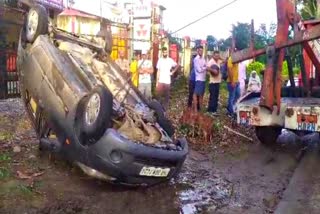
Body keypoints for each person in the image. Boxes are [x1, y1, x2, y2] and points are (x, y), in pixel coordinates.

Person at [206, 50, 222, 115]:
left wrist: (221, 58)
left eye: (218, 56)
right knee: (212, 96)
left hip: (218, 82)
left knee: (216, 96)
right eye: (216, 56)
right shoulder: (211, 61)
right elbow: (207, 67)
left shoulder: (218, 61)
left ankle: (214, 110)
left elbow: (224, 61)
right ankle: (211, 111)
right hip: (212, 82)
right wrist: (213, 70)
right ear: (213, 55)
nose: (217, 57)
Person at [227, 48, 240, 118]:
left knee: (238, 94)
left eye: (237, 51)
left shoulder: (237, 59)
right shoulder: (230, 59)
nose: (236, 52)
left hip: (237, 81)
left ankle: (230, 107)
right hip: (231, 82)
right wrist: (232, 81)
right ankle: (230, 112)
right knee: (231, 97)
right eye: (235, 51)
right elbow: (229, 70)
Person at [193, 46, 207, 112]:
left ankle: (200, 109)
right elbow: (199, 70)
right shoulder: (196, 59)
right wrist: (205, 68)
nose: (201, 52)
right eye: (199, 50)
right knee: (196, 94)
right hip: (199, 79)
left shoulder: (203, 59)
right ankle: (195, 109)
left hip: (203, 79)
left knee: (201, 95)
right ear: (197, 51)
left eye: (202, 50)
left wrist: (204, 67)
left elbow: (205, 66)